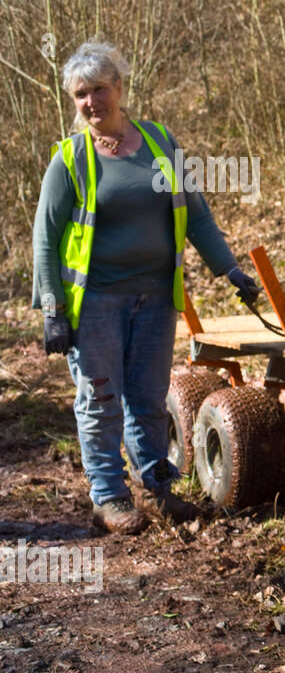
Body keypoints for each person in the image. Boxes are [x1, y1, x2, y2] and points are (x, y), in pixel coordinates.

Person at [31, 42, 262, 534]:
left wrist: (230, 271)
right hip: (94, 304)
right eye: (80, 94)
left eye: (98, 89)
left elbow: (196, 215)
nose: (91, 102)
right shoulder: (69, 160)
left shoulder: (160, 143)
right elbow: (45, 240)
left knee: (149, 397)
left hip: (156, 299)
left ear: (119, 86)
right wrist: (51, 307)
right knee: (100, 398)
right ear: (72, 102)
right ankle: (109, 497)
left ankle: (157, 487)